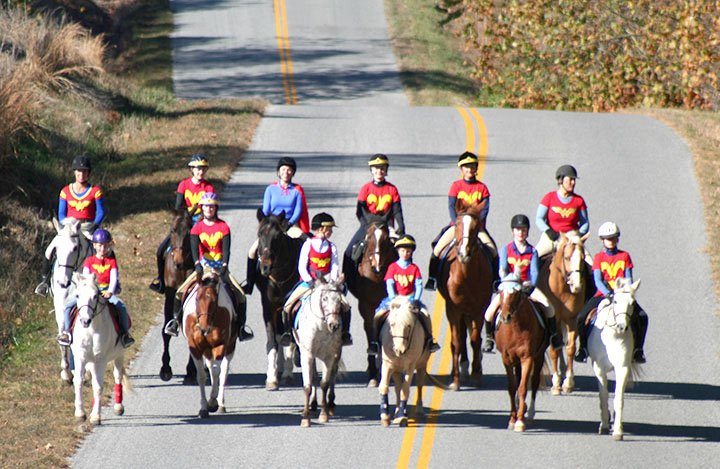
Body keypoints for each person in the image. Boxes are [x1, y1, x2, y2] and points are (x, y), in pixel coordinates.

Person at [164, 193, 245, 337]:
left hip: (220, 266)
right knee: (179, 293)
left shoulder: (223, 227)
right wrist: (197, 264)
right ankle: (175, 323)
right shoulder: (197, 228)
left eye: (212, 206)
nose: (209, 209)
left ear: (216, 208)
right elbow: (195, 250)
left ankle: (241, 328)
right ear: (202, 208)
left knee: (240, 294)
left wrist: (225, 265)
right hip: (203, 266)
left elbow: (226, 249)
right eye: (206, 206)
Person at [482, 214, 563, 352]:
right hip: (509, 285)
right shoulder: (505, 249)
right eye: (518, 229)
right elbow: (502, 269)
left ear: (527, 232)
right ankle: (489, 338)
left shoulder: (532, 251)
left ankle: (553, 336)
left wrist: (530, 284)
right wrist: (506, 279)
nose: (521, 232)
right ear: (513, 231)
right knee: (489, 312)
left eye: (524, 230)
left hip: (526, 286)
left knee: (549, 308)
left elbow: (535, 272)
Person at [574, 222, 648, 363]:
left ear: (617, 239)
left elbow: (628, 278)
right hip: (603, 295)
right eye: (608, 239)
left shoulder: (625, 256)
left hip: (622, 295)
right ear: (602, 240)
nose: (611, 242)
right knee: (581, 317)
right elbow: (598, 280)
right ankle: (583, 348)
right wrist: (608, 293)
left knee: (642, 317)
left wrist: (623, 293)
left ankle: (638, 350)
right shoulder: (599, 258)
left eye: (613, 238)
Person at [35, 155, 106, 296]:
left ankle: (105, 281)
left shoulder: (95, 191)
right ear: (74, 172)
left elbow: (101, 212)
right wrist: (67, 225)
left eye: (85, 171)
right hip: (69, 227)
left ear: (88, 173)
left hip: (87, 228)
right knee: (49, 250)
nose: (81, 174)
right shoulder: (65, 191)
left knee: (103, 251)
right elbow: (61, 213)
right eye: (79, 171)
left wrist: (94, 225)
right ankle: (45, 282)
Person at [425, 151, 497, 290]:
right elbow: (452, 206)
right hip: (458, 227)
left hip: (476, 227)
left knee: (493, 251)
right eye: (466, 167)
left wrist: (476, 225)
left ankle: (495, 280)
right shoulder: (456, 186)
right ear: (461, 169)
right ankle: (432, 278)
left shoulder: (482, 188)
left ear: (476, 168)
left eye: (472, 166)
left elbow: (485, 210)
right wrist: (457, 223)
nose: (469, 169)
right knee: (437, 250)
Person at [280, 213, 353, 346]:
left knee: (346, 305)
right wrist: (310, 281)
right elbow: (302, 266)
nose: (331, 232)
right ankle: (288, 334)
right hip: (309, 283)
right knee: (288, 305)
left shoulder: (332, 247)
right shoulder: (308, 245)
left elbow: (335, 266)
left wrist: (332, 281)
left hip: (327, 284)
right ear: (321, 229)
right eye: (329, 229)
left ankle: (345, 333)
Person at [149, 153, 215, 294]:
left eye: (203, 169)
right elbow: (178, 206)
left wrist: (199, 220)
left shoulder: (208, 187)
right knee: (161, 250)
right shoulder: (183, 185)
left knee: (212, 250)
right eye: (198, 168)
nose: (201, 172)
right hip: (185, 222)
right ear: (191, 169)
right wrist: (186, 218)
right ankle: (161, 281)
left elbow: (210, 209)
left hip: (201, 223)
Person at [243, 156, 309, 295]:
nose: (286, 172)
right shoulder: (270, 189)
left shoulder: (296, 191)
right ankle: (250, 283)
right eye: (283, 169)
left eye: (289, 170)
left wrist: (289, 223)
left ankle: (309, 277)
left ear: (293, 173)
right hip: (273, 225)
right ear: (278, 172)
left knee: (306, 242)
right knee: (252, 251)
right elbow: (266, 209)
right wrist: (270, 222)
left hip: (289, 225)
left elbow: (298, 210)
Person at [57, 229, 134, 348]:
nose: (102, 249)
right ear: (94, 245)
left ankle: (124, 334)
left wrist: (110, 291)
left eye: (105, 246)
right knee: (68, 306)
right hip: (90, 293)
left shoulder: (111, 261)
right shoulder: (89, 261)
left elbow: (114, 278)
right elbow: (85, 278)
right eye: (99, 246)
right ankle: (68, 332)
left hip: (106, 292)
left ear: (109, 245)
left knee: (121, 306)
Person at [367, 235, 440, 356]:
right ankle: (374, 342)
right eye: (402, 251)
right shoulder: (393, 267)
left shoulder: (414, 268)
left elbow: (419, 285)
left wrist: (416, 299)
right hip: (395, 298)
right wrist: (392, 298)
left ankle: (429, 340)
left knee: (425, 315)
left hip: (410, 299)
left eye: (408, 251)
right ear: (397, 251)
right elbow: (389, 283)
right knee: (378, 315)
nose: (405, 253)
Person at [342, 154, 406, 289]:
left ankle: (405, 285)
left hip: (387, 227)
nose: (379, 171)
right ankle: (346, 283)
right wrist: (367, 226)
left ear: (386, 170)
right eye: (376, 168)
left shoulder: (392, 189)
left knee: (404, 250)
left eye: (382, 168)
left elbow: (397, 211)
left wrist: (401, 228)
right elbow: (360, 212)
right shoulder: (366, 188)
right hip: (368, 226)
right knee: (349, 252)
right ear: (371, 170)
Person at [535, 164, 590, 260]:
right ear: (561, 180)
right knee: (533, 257)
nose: (573, 183)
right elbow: (539, 218)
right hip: (552, 238)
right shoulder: (549, 197)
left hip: (572, 238)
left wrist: (579, 235)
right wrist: (548, 231)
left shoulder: (579, 201)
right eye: (570, 179)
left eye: (574, 180)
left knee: (591, 263)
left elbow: (585, 223)